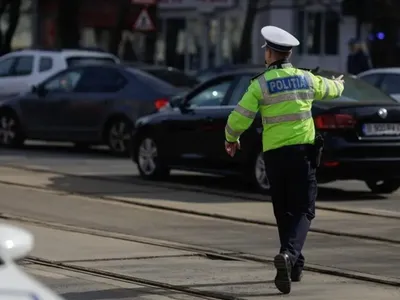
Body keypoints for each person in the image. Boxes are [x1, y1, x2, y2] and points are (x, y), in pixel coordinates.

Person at [224, 25, 344, 295]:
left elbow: (239, 116)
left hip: (275, 156)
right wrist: (340, 83)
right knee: (304, 209)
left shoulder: (260, 84)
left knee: (284, 209)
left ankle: (294, 264)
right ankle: (289, 255)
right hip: (302, 153)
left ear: (270, 54)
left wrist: (231, 138)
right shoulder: (306, 79)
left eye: (266, 50)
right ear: (288, 53)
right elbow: (332, 89)